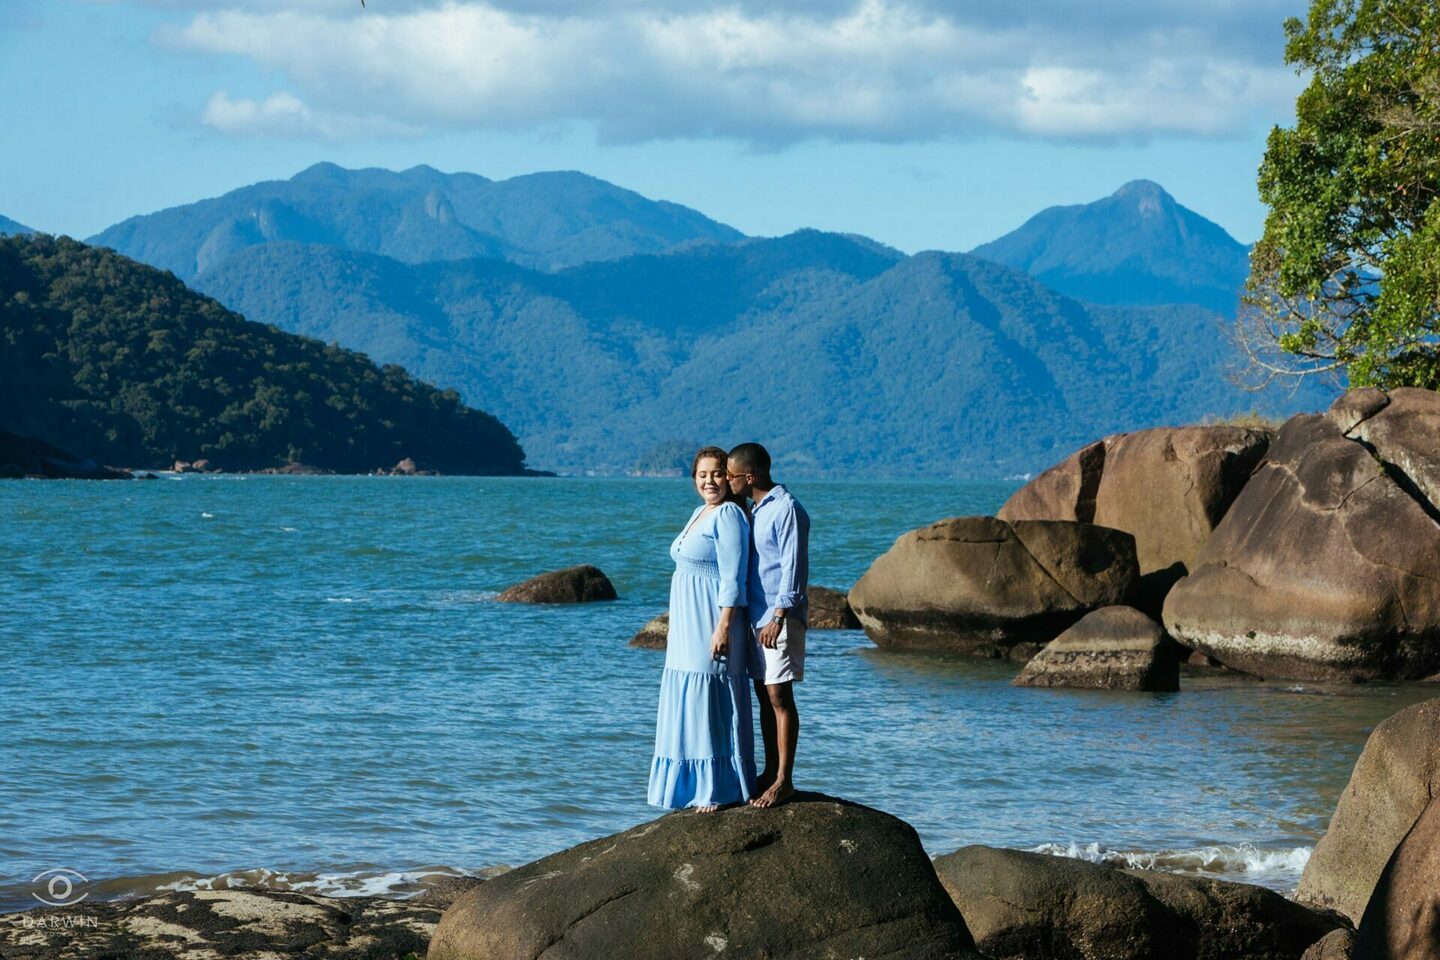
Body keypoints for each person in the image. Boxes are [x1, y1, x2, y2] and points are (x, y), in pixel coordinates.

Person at [647, 446, 757, 813]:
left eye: (716, 474)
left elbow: (733, 577)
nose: (709, 481)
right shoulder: (700, 512)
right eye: (702, 475)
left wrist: (723, 627)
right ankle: (688, 788)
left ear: (728, 477)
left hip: (712, 620)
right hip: (686, 624)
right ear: (694, 479)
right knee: (687, 697)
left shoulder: (728, 514)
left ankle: (717, 789)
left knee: (709, 699)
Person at [726, 442, 809, 809]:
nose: (726, 481)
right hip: (755, 619)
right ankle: (769, 771)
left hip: (779, 618)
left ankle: (784, 781)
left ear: (749, 476)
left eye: (730, 476)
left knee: (779, 695)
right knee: (763, 696)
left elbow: (794, 568)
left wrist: (779, 616)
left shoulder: (787, 509)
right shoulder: (755, 509)